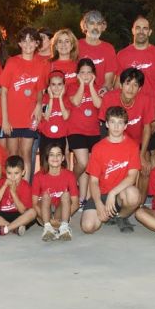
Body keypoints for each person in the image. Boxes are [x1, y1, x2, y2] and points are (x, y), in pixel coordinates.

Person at [80, 106, 142, 234]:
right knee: (88, 227)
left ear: (125, 126)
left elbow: (132, 177)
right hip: (101, 194)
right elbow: (94, 181)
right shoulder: (98, 148)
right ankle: (108, 214)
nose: (116, 126)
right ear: (107, 124)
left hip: (120, 194)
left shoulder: (133, 146)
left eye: (120, 123)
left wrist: (113, 193)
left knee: (134, 195)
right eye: (112, 122)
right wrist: (98, 204)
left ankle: (121, 216)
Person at [101, 67, 155, 201]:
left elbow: (147, 128)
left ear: (139, 89)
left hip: (136, 143)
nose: (130, 88)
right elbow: (105, 127)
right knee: (113, 166)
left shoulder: (146, 100)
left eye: (135, 85)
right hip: (116, 140)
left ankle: (140, 204)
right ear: (120, 85)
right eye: (127, 83)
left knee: (145, 166)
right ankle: (108, 196)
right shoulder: (110, 97)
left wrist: (142, 154)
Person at [0, 27, 48, 170]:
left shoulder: (41, 64)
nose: (28, 44)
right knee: (12, 154)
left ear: (37, 43)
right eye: (24, 41)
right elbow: (3, 92)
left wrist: (39, 105)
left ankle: (25, 189)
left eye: (31, 41)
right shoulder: (12, 62)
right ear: (19, 44)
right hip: (12, 117)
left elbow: (40, 90)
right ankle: (12, 188)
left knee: (26, 153)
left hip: (30, 116)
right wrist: (5, 119)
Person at [117, 15, 155, 129]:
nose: (141, 31)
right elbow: (117, 86)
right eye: (138, 28)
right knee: (128, 147)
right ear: (133, 30)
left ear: (149, 32)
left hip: (151, 112)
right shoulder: (122, 55)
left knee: (151, 147)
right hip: (127, 112)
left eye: (145, 28)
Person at [66, 58, 103, 205]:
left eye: (89, 72)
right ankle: (68, 183)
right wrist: (81, 84)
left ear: (94, 73)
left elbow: (99, 104)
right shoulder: (72, 86)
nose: (86, 75)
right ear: (77, 74)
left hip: (93, 131)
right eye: (82, 72)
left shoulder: (98, 87)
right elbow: (75, 101)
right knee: (82, 162)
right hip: (75, 130)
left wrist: (92, 86)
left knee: (88, 166)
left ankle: (82, 198)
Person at [32, 144, 78, 241]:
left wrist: (61, 221)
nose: (55, 158)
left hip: (60, 213)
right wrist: (49, 221)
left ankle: (64, 227)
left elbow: (75, 203)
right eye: (52, 155)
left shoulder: (69, 175)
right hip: (44, 215)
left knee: (66, 195)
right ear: (47, 158)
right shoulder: (38, 176)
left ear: (62, 158)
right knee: (45, 195)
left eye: (58, 155)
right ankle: (48, 228)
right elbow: (34, 203)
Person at [0, 155, 37, 236]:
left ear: (23, 172)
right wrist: (4, 186)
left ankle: (5, 229)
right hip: (3, 214)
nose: (12, 177)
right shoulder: (2, 182)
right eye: (9, 173)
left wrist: (13, 192)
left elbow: (22, 210)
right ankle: (14, 228)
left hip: (18, 215)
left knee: (32, 213)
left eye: (16, 173)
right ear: (5, 172)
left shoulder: (26, 186)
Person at [77, 10, 119, 92]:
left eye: (99, 24)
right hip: (79, 96)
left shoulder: (108, 49)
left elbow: (108, 81)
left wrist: (104, 90)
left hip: (100, 95)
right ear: (85, 26)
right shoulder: (76, 46)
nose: (95, 27)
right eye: (92, 23)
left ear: (103, 27)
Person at [39, 70, 71, 160]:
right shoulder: (45, 98)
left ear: (64, 86)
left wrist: (60, 98)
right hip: (46, 135)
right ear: (49, 86)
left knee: (62, 161)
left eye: (59, 84)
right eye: (53, 84)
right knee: (46, 161)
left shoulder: (66, 99)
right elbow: (46, 117)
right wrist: (51, 98)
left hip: (61, 136)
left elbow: (66, 116)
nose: (56, 88)